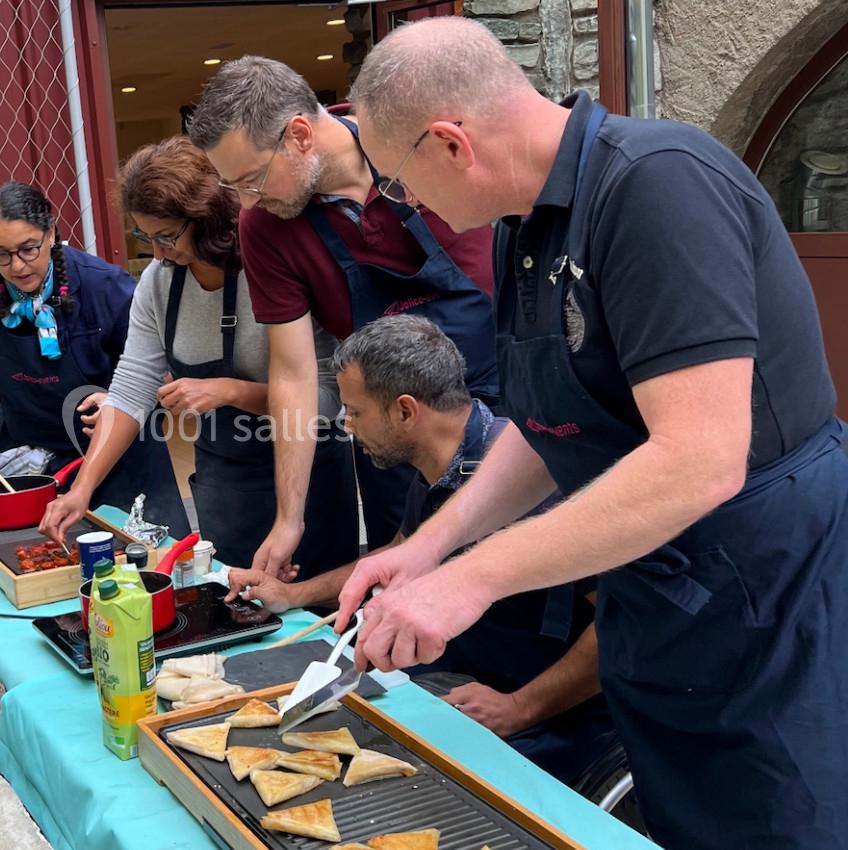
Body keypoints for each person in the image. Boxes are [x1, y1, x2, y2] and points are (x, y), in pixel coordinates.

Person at [340, 18, 848, 849]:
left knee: (778, 821)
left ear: (449, 144)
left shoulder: (658, 185)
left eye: (396, 182)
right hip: (652, 598)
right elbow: (548, 425)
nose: (400, 207)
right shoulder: (525, 225)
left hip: (764, 595)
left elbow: (699, 460)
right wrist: (432, 549)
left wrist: (474, 581)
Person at [227, 316, 612, 785]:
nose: (346, 426)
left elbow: (619, 624)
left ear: (406, 411)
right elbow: (401, 553)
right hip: (457, 686)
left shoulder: (534, 483)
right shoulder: (440, 463)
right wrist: (294, 595)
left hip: (549, 717)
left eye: (355, 411)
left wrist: (520, 707)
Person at [187, 57, 499, 579]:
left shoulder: (416, 139)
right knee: (408, 590)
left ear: (300, 135)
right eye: (232, 186)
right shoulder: (264, 225)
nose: (246, 200)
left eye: (251, 179)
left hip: (503, 405)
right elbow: (293, 370)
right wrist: (290, 518)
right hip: (395, 444)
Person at [39, 137, 358, 574]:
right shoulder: (158, 283)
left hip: (310, 484)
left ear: (207, 218)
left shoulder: (273, 268)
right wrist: (81, 488)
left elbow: (327, 398)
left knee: (312, 626)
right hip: (224, 482)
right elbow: (130, 389)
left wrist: (233, 392)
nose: (156, 253)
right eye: (143, 236)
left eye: (167, 236)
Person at [0, 182, 188, 536]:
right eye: (0, 254)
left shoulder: (105, 287)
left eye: (28, 249)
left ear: (50, 234)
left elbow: (161, 373)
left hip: (121, 456)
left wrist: (117, 399)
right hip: (32, 459)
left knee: (139, 564)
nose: (17, 266)